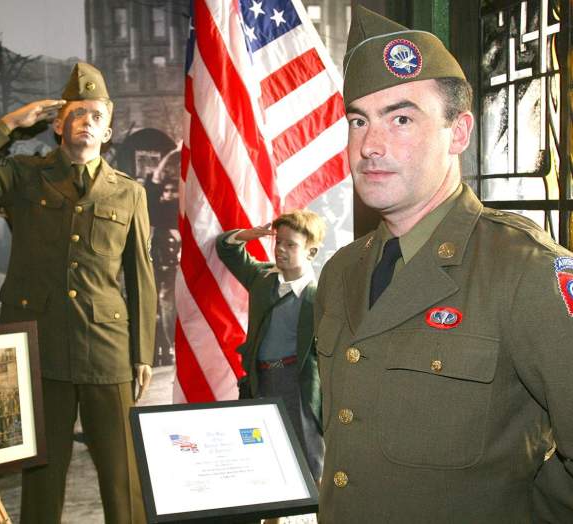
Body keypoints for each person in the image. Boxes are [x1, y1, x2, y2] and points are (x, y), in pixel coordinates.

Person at [314, 5, 573, 523]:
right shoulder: (341, 271)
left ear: (459, 133)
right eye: (358, 120)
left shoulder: (524, 272)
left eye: (402, 118)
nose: (370, 145)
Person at [0, 62, 157, 524]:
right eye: (77, 113)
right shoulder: (23, 177)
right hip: (41, 348)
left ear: (109, 130)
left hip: (107, 350)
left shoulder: (128, 193)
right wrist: (11, 123)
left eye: (96, 115)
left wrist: (142, 353)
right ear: (58, 124)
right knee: (42, 478)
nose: (87, 122)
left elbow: (139, 276)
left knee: (124, 480)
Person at [216, 210, 326, 483]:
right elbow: (226, 249)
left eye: (291, 245)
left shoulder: (320, 294)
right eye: (279, 242)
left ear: (310, 252)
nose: (281, 250)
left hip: (297, 386)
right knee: (262, 462)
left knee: (311, 464)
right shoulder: (263, 279)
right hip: (261, 382)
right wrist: (245, 236)